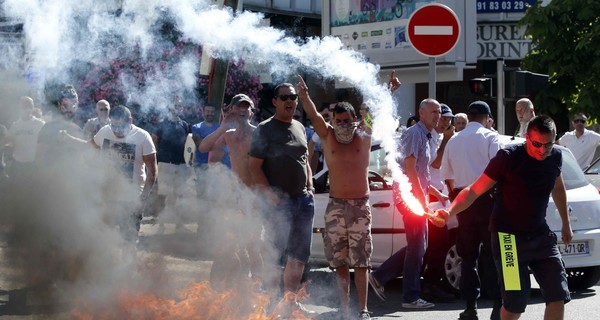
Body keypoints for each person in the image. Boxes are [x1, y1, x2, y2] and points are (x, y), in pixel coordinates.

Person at [439, 115, 573, 320]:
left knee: (557, 295)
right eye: (537, 144)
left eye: (548, 145)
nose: (542, 150)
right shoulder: (507, 158)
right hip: (508, 239)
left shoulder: (554, 157)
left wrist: (566, 223)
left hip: (540, 236)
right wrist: (449, 212)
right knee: (514, 305)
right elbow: (474, 190)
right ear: (527, 137)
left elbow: (557, 186)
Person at [299, 76, 372, 320]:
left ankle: (362, 310)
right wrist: (304, 96)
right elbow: (313, 115)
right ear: (333, 120)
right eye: (338, 120)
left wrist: (388, 90)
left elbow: (377, 110)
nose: (342, 124)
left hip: (360, 206)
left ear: (354, 120)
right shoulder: (327, 136)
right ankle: (344, 309)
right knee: (339, 261)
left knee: (361, 262)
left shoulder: (363, 135)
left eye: (346, 120)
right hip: (335, 206)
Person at [369, 98, 446, 309]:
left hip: (416, 196)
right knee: (417, 247)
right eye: (433, 112)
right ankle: (410, 297)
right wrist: (420, 198)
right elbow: (410, 169)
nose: (437, 116)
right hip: (410, 197)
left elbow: (422, 173)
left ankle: (379, 276)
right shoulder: (415, 133)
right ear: (421, 113)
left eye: (439, 112)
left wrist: (436, 193)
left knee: (418, 246)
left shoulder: (427, 136)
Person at [248, 82, 315, 317]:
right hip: (279, 204)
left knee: (298, 256)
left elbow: (304, 158)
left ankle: (289, 301)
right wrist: (269, 193)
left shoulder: (300, 127)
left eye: (293, 97)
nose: (289, 101)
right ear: (275, 101)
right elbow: (254, 166)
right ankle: (271, 301)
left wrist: (310, 185)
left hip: (303, 201)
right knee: (276, 255)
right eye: (284, 97)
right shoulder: (264, 129)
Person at [441, 101, 502, 320]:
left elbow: (446, 176)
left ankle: (470, 307)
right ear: (487, 118)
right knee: (495, 254)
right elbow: (499, 169)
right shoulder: (491, 137)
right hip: (487, 199)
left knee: (467, 257)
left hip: (463, 200)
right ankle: (498, 305)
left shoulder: (454, 140)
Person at [198, 93, 264, 290]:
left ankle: (257, 288)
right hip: (235, 198)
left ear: (252, 112)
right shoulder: (228, 135)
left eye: (247, 107)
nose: (243, 110)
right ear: (232, 111)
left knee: (253, 246)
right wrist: (223, 126)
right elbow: (204, 148)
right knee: (228, 244)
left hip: (255, 197)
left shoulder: (259, 133)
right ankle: (222, 288)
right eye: (239, 107)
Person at [92, 105, 157, 241]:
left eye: (120, 126)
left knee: (129, 240)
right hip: (107, 196)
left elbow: (152, 172)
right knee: (102, 238)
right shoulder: (105, 132)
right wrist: (69, 140)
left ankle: (129, 262)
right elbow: (88, 146)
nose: (116, 131)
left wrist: (142, 200)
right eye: (113, 126)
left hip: (131, 199)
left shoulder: (142, 137)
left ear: (130, 121)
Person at [422, 104, 454, 302]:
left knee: (438, 245)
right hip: (430, 198)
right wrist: (446, 142)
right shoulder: (429, 138)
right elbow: (435, 164)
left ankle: (434, 282)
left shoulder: (439, 138)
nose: (445, 122)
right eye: (443, 118)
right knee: (435, 244)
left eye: (448, 119)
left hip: (441, 198)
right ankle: (429, 284)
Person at [152, 96, 191, 231]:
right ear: (170, 107)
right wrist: (156, 160)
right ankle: (160, 224)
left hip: (180, 164)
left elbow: (187, 144)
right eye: (175, 105)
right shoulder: (162, 123)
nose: (177, 108)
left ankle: (178, 224)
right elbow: (154, 141)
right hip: (165, 163)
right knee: (163, 194)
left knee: (179, 195)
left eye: (179, 106)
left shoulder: (184, 125)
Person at [4, 96, 45, 180]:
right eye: (24, 106)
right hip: (17, 165)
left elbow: (45, 143)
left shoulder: (40, 124)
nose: (27, 108)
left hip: (33, 165)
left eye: (29, 106)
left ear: (33, 107)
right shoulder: (15, 125)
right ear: (19, 107)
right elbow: (8, 141)